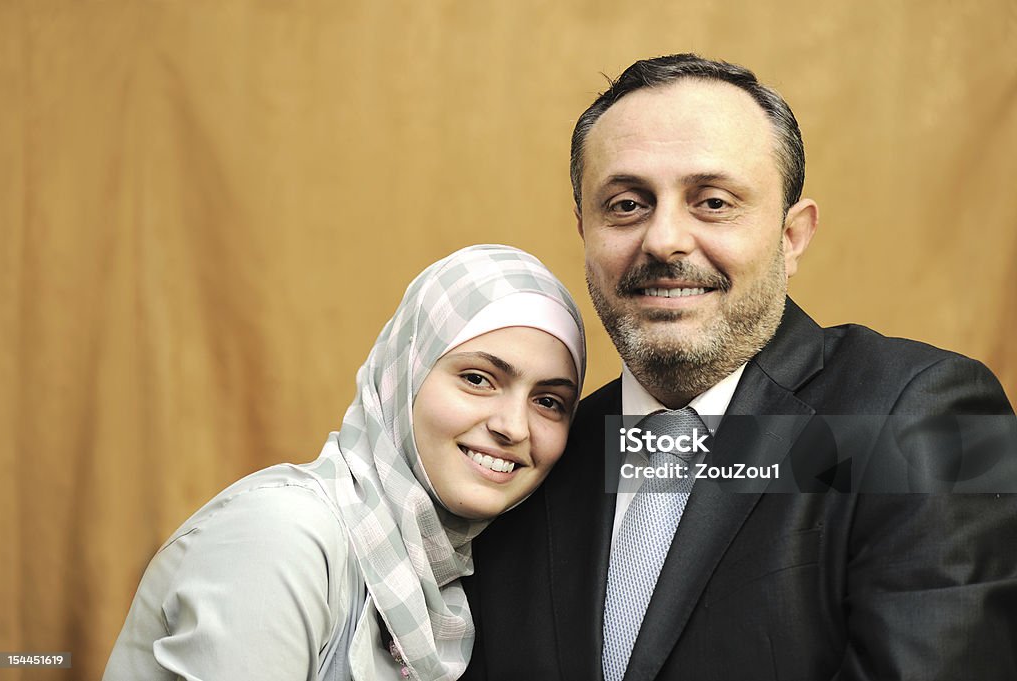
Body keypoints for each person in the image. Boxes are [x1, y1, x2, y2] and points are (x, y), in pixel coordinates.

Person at [461, 55, 1017, 680]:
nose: (663, 239)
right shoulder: (535, 457)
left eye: (714, 202)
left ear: (792, 235)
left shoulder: (928, 415)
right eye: (624, 204)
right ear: (584, 230)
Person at [103, 244, 586, 681]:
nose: (514, 427)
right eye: (478, 378)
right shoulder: (285, 537)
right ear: (404, 377)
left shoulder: (458, 581)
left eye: (548, 402)